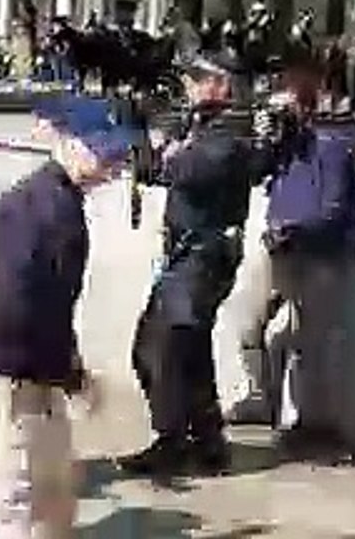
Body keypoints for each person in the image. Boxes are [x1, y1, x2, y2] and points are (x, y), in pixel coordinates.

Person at [0, 96, 130, 537]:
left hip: (21, 370)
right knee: (9, 508)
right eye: (103, 151)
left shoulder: (58, 203)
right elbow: (13, 303)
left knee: (51, 501)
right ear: (65, 141)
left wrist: (68, 368)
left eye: (118, 154)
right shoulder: (34, 208)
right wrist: (65, 372)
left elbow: (51, 302)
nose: (114, 164)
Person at [118, 48, 258, 476]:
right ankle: (206, 440)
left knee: (158, 347)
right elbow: (155, 167)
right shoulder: (204, 123)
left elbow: (177, 170)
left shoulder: (231, 132)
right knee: (188, 347)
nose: (189, 85)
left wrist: (149, 138)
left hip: (203, 255)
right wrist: (138, 120)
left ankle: (175, 441)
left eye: (198, 78)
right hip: (189, 253)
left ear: (222, 85)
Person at [236, 56, 355, 459]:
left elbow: (333, 209)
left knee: (313, 342)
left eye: (289, 100)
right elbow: (252, 173)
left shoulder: (332, 145)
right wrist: (266, 141)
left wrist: (291, 230)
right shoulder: (286, 143)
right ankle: (260, 398)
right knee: (249, 324)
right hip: (283, 246)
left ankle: (320, 428)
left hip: (323, 254)